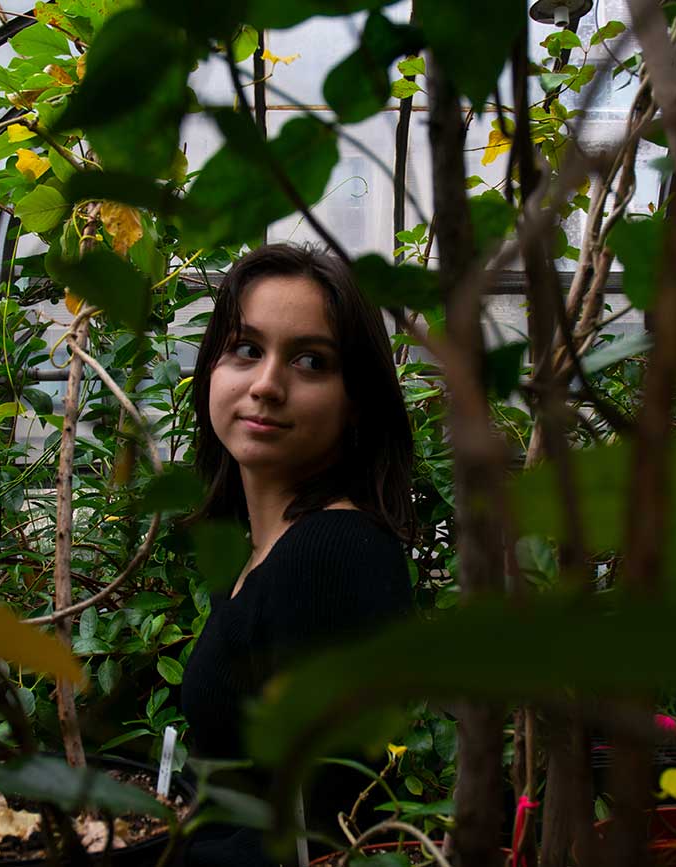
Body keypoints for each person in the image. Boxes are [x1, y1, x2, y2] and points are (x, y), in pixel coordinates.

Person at [179, 243, 416, 866]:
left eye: (311, 361)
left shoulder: (332, 550)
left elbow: (317, 832)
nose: (266, 385)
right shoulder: (259, 551)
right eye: (247, 349)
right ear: (211, 369)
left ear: (355, 400)